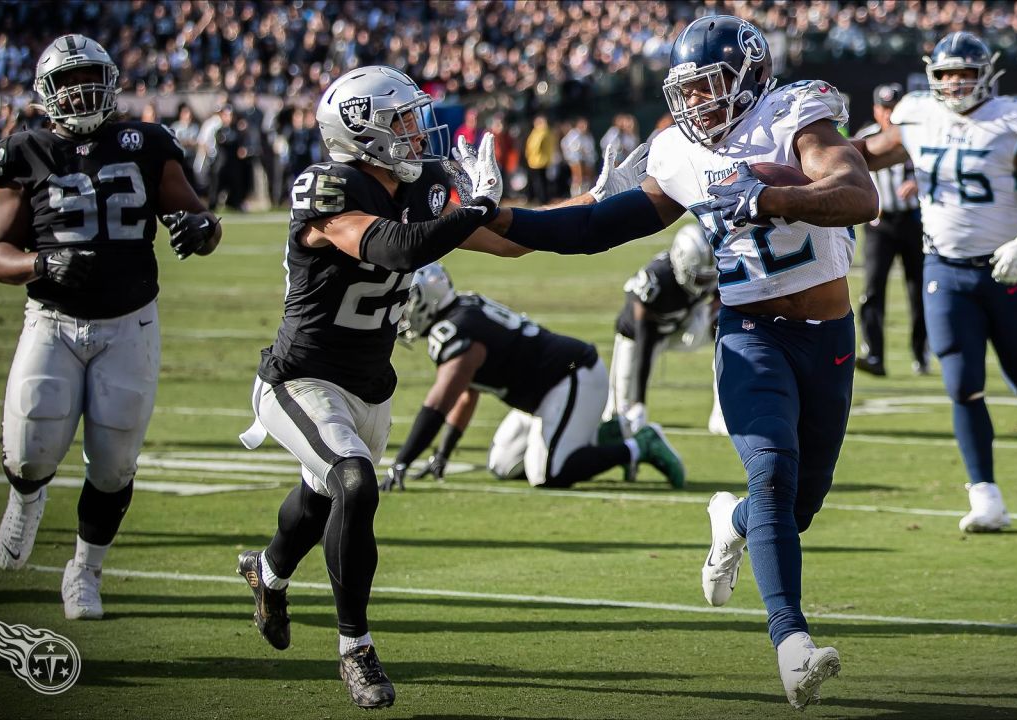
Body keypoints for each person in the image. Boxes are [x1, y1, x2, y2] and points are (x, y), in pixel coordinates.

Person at [479, 15, 879, 709]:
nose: (697, 105)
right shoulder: (679, 153)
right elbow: (595, 227)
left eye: (710, 87)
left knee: (797, 503)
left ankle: (730, 523)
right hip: (749, 332)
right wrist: (495, 218)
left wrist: (773, 194)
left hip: (829, 337)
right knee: (774, 473)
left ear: (752, 75)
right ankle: (793, 645)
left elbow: (859, 196)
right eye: (687, 92)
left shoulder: (796, 118)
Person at [231, 64, 643, 711]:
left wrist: (596, 203)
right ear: (361, 129)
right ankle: (356, 650)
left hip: (370, 384)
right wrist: (469, 208)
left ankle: (267, 573)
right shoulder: (326, 184)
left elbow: (511, 239)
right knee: (354, 481)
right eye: (400, 120)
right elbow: (392, 248)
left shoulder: (421, 185)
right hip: (301, 377)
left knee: (318, 500)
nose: (417, 132)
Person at [0, 34, 220, 620]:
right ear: (46, 90)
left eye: (89, 75)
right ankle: (26, 495)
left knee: (114, 464)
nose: (80, 88)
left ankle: (84, 572)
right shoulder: (23, 151)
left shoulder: (145, 141)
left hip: (128, 323)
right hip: (53, 319)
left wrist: (203, 228)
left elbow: (195, 212)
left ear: (112, 80)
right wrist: (41, 262)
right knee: (29, 447)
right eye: (67, 80)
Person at [854, 32, 1017, 533]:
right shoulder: (917, 117)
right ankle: (986, 495)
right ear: (931, 77)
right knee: (961, 384)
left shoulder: (1009, 122)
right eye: (945, 73)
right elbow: (867, 155)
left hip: (1005, 267)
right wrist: (809, 146)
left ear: (987, 74)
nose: (955, 83)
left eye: (965, 72)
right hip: (944, 267)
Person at [384, 263, 685, 491]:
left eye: (409, 299)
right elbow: (465, 392)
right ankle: (607, 434)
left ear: (429, 298)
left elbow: (438, 402)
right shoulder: (462, 312)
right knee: (501, 465)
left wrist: (401, 462)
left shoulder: (455, 331)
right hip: (543, 391)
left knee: (549, 473)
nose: (404, 309)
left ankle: (639, 445)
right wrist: (442, 455)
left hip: (571, 375)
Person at [602, 224, 725, 438]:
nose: (703, 286)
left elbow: (718, 299)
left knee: (726, 326)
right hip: (639, 337)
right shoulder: (657, 281)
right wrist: (639, 401)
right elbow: (644, 340)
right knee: (620, 412)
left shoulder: (707, 267)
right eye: (699, 279)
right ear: (681, 262)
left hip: (681, 326)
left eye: (708, 279)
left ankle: (721, 415)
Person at [853, 83, 928, 377]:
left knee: (918, 290)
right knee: (872, 290)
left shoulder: (918, 136)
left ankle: (921, 353)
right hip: (879, 225)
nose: (889, 114)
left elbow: (939, 168)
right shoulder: (865, 138)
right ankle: (874, 354)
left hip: (913, 221)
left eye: (894, 108)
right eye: (884, 108)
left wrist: (920, 184)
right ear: (875, 110)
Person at [561, 117, 597, 197]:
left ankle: (584, 194)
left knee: (587, 179)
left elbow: (590, 149)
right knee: (578, 178)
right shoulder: (574, 134)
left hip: (586, 160)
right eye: (583, 124)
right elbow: (567, 145)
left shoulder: (588, 135)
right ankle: (575, 195)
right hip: (576, 160)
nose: (585, 126)